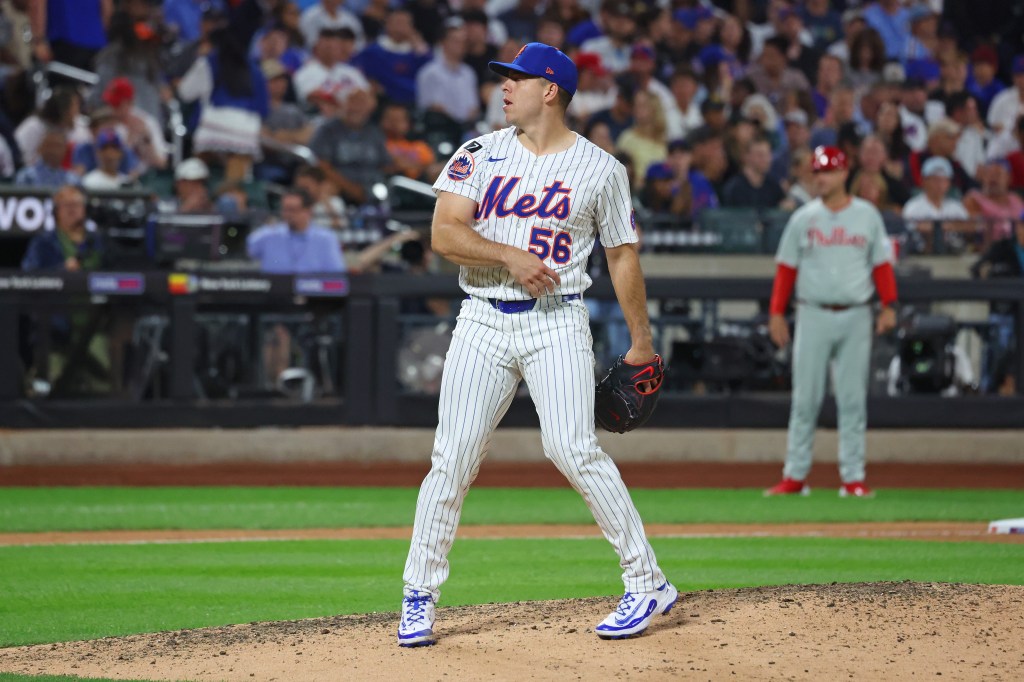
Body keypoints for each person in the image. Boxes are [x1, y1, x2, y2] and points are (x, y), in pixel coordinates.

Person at [398, 42, 675, 648]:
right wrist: (507, 254)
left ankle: (646, 580)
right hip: (482, 320)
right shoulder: (480, 151)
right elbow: (444, 231)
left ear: (550, 90)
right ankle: (418, 595)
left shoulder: (602, 169)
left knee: (574, 449)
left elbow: (623, 257)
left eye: (515, 79)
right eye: (504, 79)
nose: (503, 88)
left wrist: (642, 345)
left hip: (557, 319)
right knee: (452, 460)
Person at [766, 146, 898, 498]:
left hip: (856, 313)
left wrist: (889, 305)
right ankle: (795, 475)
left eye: (827, 170)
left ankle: (853, 478)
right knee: (805, 399)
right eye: (817, 171)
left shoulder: (867, 215)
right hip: (812, 312)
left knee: (853, 400)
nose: (820, 177)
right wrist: (776, 312)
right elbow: (786, 269)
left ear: (843, 173)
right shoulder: (804, 217)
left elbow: (881, 265)